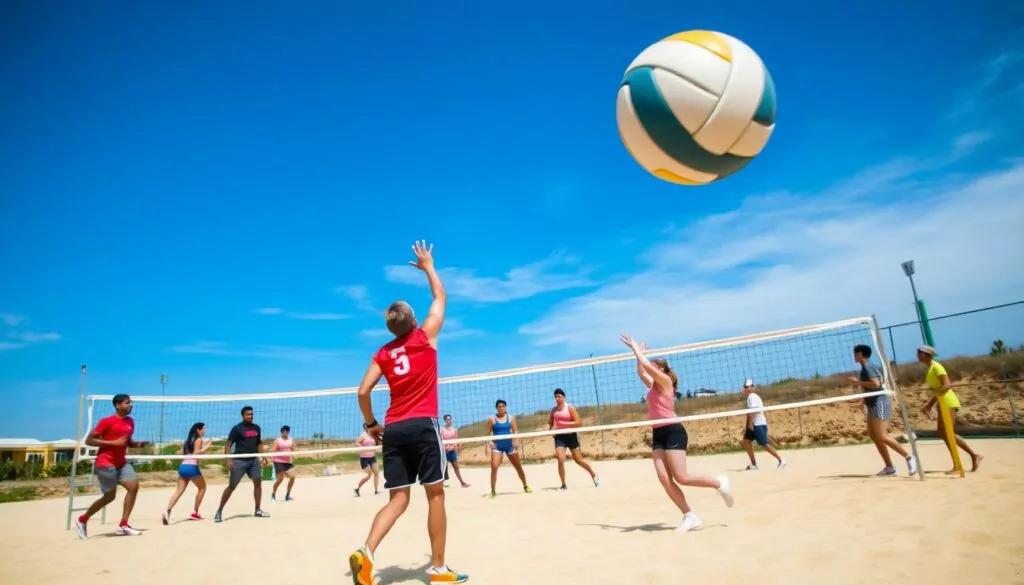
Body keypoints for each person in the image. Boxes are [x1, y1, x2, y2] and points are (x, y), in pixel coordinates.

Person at [349, 240, 468, 585]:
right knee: (435, 495)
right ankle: (439, 569)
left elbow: (362, 391)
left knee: (398, 499)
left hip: (394, 429)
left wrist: (372, 424)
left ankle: (366, 552)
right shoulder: (424, 337)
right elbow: (441, 298)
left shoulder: (383, 354)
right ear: (413, 320)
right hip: (423, 425)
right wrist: (428, 266)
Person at [620, 334, 733, 532]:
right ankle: (690, 516)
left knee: (682, 477)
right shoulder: (653, 385)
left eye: (656, 366)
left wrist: (638, 351)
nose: (652, 369)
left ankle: (719, 482)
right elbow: (642, 371)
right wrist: (638, 354)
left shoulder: (665, 382)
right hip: (658, 434)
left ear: (662, 371)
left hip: (673, 431)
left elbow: (647, 368)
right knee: (664, 479)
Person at [75, 393, 150, 538]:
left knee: (133, 487)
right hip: (105, 463)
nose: (131, 405)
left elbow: (127, 442)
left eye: (131, 402)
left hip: (121, 463)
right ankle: (82, 519)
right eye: (127, 403)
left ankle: (123, 524)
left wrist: (137, 444)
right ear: (118, 405)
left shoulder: (130, 422)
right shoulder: (107, 421)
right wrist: (112, 443)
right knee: (110, 497)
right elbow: (89, 441)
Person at [849, 344, 917, 477]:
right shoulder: (865, 368)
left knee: (882, 435)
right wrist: (863, 399)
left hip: (880, 402)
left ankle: (909, 457)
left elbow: (876, 384)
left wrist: (857, 382)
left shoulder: (868, 367)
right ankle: (889, 467)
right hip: (872, 403)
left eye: (856, 354)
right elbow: (872, 386)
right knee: (873, 435)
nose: (854, 356)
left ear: (861, 354)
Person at [917, 345, 982, 472]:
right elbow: (938, 389)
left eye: (920, 352)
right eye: (918, 352)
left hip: (948, 401)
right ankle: (966, 459)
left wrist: (935, 398)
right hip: (941, 402)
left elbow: (947, 385)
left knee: (947, 433)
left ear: (927, 354)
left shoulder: (936, 366)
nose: (918, 354)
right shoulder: (930, 368)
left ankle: (970, 457)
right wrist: (929, 405)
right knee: (944, 433)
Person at [214, 405, 270, 523]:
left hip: (253, 460)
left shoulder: (256, 428)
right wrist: (228, 459)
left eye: (252, 414)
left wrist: (264, 456)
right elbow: (228, 445)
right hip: (239, 460)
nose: (250, 416)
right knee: (232, 486)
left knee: (258, 482)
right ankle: (219, 511)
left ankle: (258, 509)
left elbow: (259, 443)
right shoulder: (237, 429)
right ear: (243, 415)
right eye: (248, 414)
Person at [547, 388, 599, 490]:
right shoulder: (553, 410)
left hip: (571, 436)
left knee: (579, 460)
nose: (557, 398)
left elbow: (578, 423)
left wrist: (564, 424)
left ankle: (593, 474)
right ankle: (563, 484)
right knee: (560, 459)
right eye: (555, 397)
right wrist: (551, 430)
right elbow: (550, 423)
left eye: (559, 396)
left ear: (563, 397)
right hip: (559, 437)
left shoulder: (569, 408)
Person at [163, 422, 212, 524]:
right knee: (202, 488)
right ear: (198, 430)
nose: (205, 431)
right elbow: (196, 453)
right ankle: (195, 512)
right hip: (191, 467)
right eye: (203, 429)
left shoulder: (187, 441)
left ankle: (167, 511)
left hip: (183, 466)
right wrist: (207, 447)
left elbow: (183, 455)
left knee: (178, 492)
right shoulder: (199, 439)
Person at [486, 399, 532, 499]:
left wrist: (516, 441)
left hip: (510, 445)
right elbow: (487, 434)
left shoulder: (511, 418)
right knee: (494, 467)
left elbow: (515, 431)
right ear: (496, 408)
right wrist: (490, 442)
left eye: (503, 406)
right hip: (497, 446)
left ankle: (525, 485)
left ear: (505, 407)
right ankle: (493, 491)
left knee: (518, 466)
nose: (501, 408)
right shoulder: (492, 419)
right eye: (499, 406)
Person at [739, 380, 786, 470]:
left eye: (747, 387)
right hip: (754, 423)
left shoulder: (752, 396)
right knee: (746, 441)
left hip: (757, 424)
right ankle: (754, 464)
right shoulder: (751, 397)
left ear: (751, 387)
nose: (745, 388)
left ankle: (781, 460)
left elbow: (753, 412)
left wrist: (749, 425)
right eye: (744, 387)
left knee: (764, 444)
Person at [440, 414, 470, 488]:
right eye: (447, 419)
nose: (449, 420)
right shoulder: (442, 429)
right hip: (445, 452)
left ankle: (462, 483)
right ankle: (441, 484)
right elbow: (441, 440)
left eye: (450, 419)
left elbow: (456, 440)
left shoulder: (454, 430)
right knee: (444, 469)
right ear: (445, 420)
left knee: (456, 468)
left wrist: (458, 444)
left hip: (452, 452)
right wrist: (444, 448)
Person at [271, 425, 296, 502]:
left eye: (287, 431)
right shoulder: (277, 440)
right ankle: (273, 494)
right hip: (278, 461)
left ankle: (287, 495)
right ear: (282, 432)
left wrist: (293, 453)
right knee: (280, 479)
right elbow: (273, 450)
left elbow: (293, 449)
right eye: (284, 431)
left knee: (292, 476)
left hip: (288, 461)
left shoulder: (291, 440)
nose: (286, 432)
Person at [354, 428, 381, 497]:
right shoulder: (363, 435)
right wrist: (363, 447)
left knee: (376, 473)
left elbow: (376, 443)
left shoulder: (373, 436)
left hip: (372, 457)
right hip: (364, 458)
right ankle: (357, 488)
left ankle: (376, 490)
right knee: (369, 474)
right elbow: (357, 442)